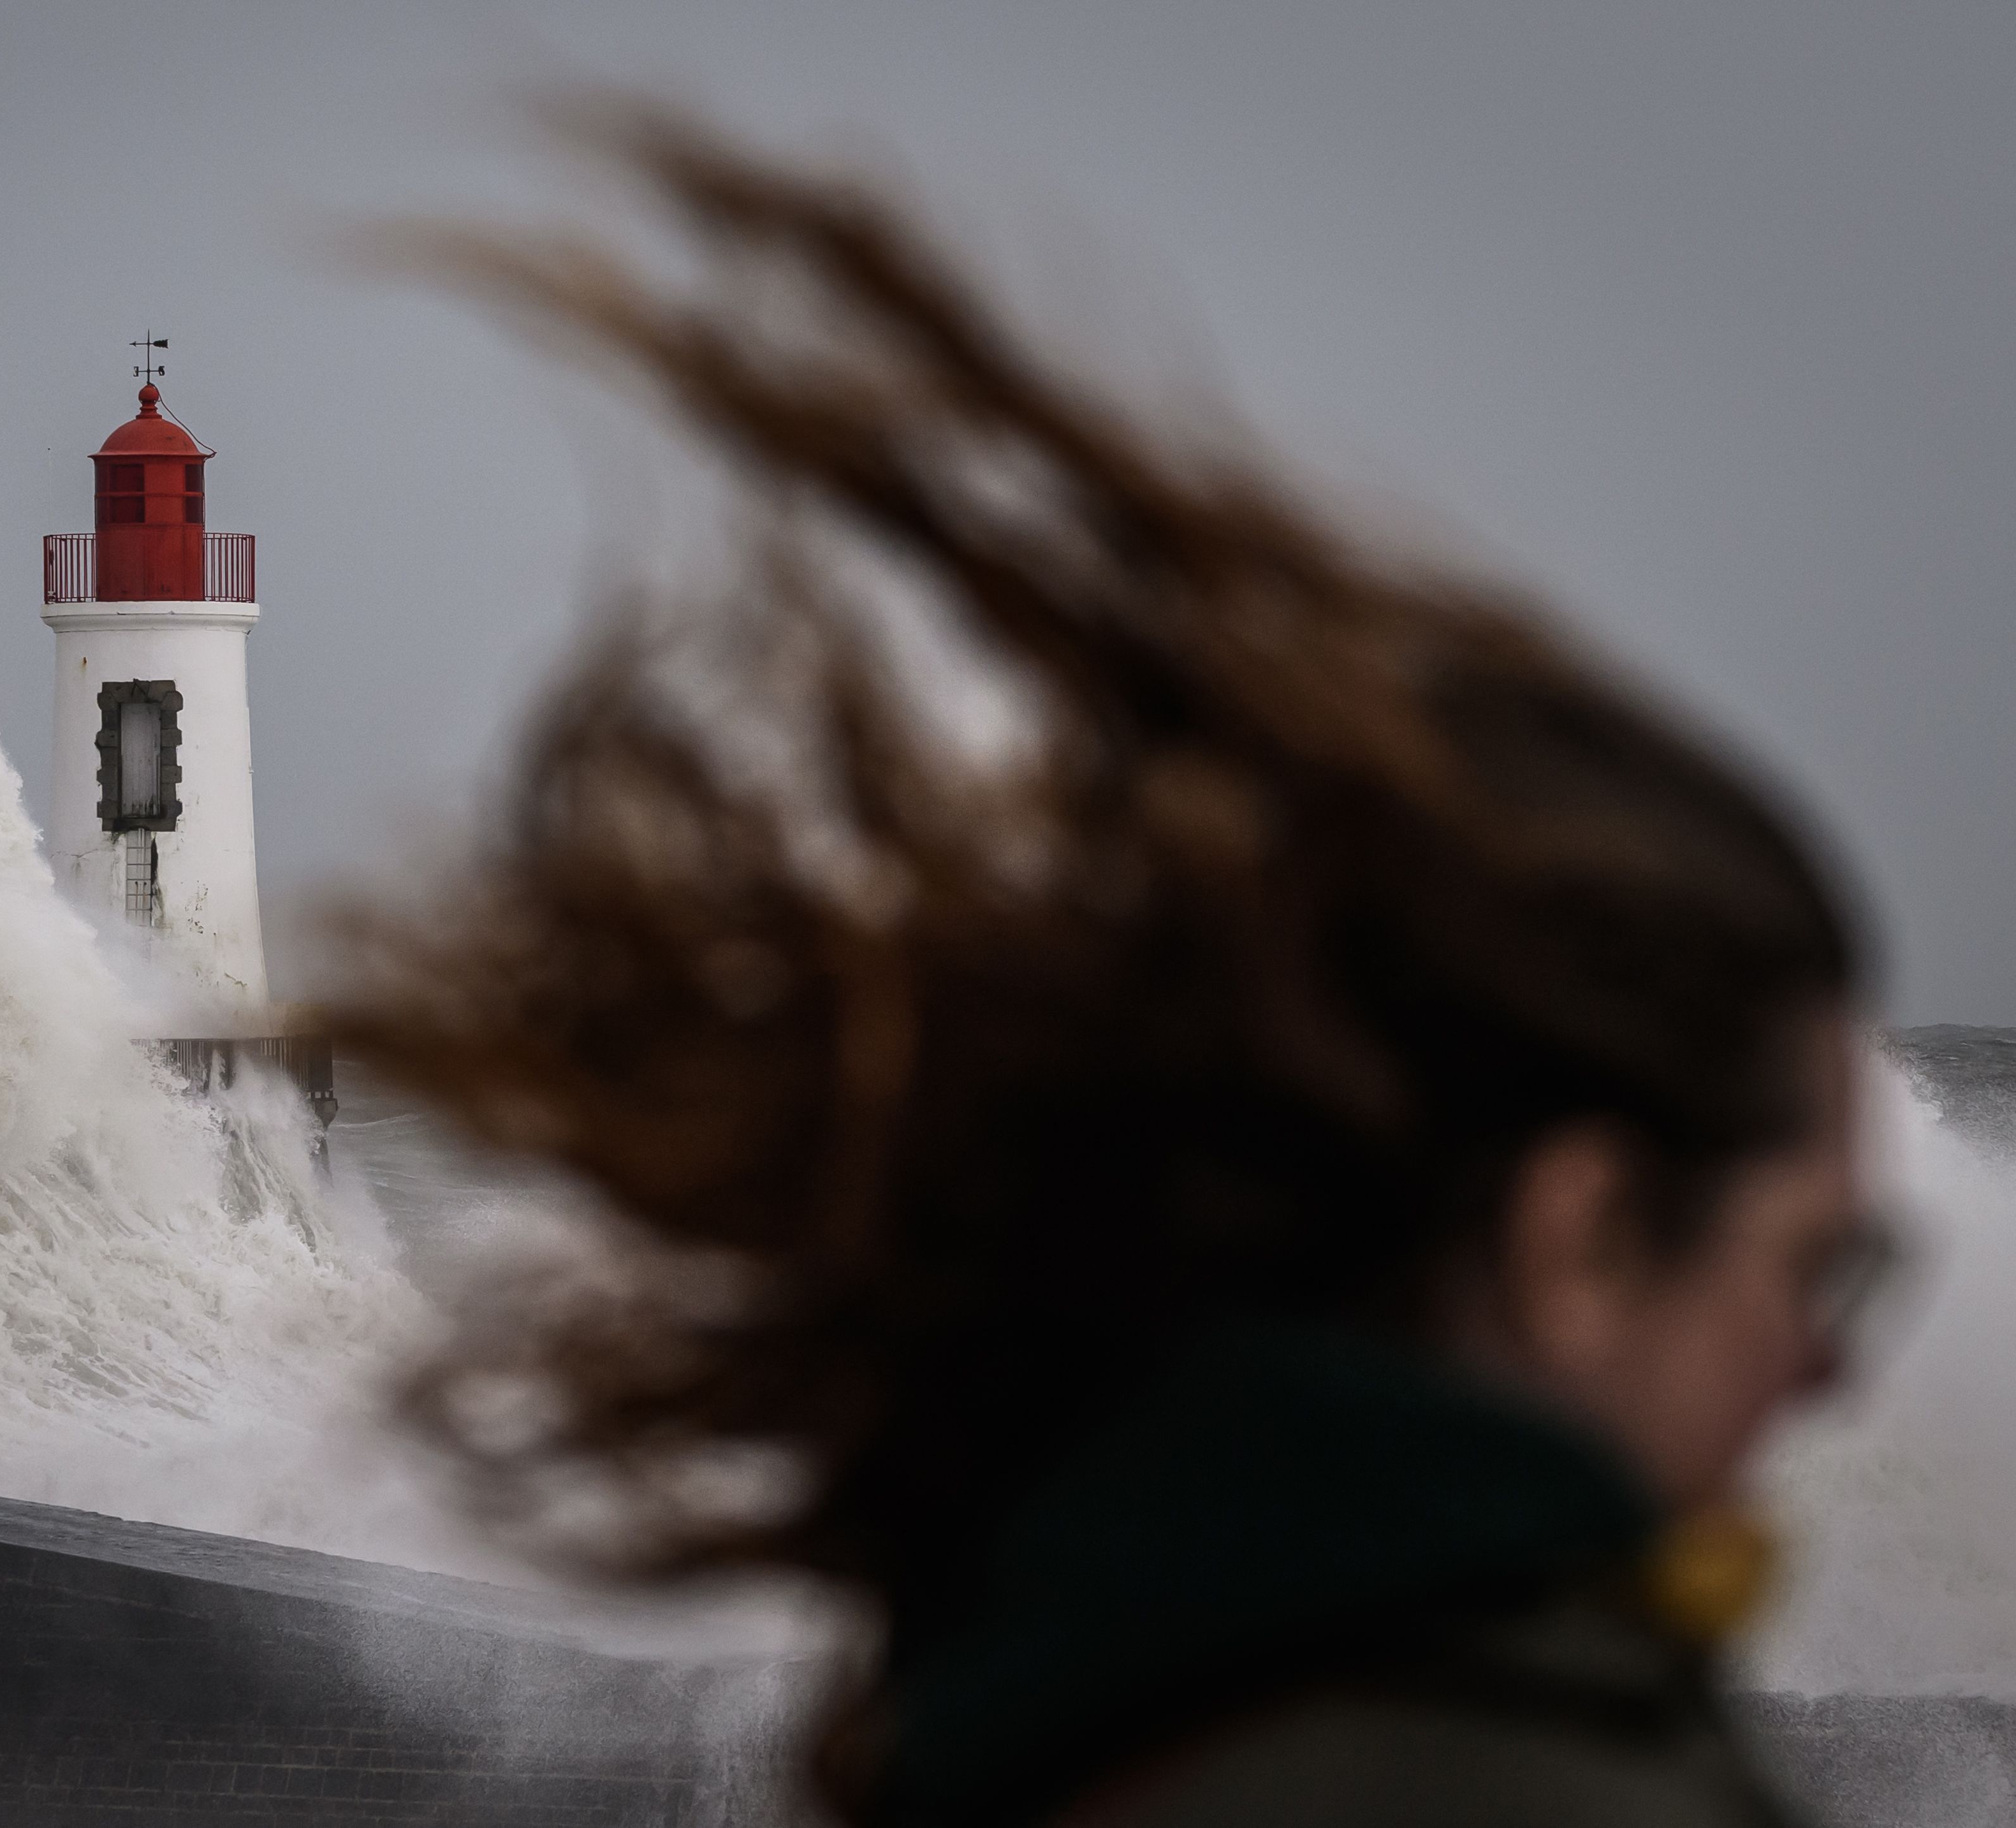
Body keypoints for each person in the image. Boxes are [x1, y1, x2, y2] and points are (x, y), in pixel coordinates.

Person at [333, 108, 1881, 1828]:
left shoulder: (1003, 1717)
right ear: (1580, 1234)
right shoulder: (1537, 1793)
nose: (1826, 1370)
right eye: (1824, 1264)